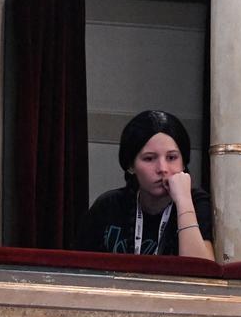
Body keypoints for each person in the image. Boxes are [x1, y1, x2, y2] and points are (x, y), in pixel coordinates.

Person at [75, 110, 214, 260]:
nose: (162, 168)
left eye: (172, 157)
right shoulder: (108, 205)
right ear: (131, 166)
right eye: (149, 159)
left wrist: (183, 202)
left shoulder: (197, 203)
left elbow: (201, 273)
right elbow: (77, 270)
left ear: (183, 163)